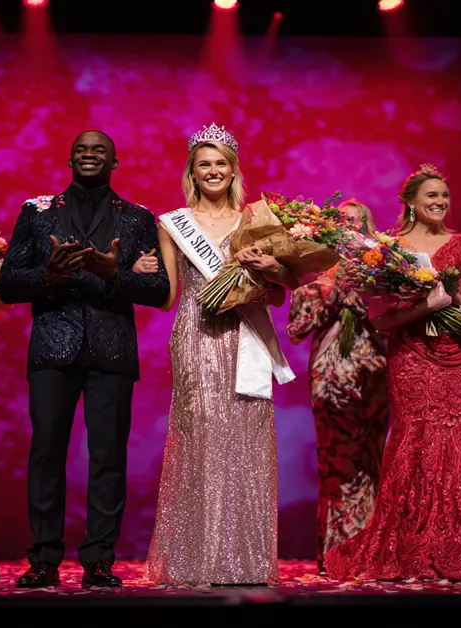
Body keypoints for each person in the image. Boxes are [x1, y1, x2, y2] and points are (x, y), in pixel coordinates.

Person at [0, 130, 169, 588]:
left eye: (99, 151)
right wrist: (47, 275)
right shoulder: (36, 213)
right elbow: (7, 284)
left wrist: (116, 275)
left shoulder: (136, 219)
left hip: (111, 351)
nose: (89, 155)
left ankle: (98, 559)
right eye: (81, 150)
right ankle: (44, 558)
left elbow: (159, 291)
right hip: (54, 347)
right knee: (47, 453)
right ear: (69, 158)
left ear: (115, 161)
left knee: (108, 458)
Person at [324, 164, 461, 582]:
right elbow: (381, 321)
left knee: (459, 443)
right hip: (411, 357)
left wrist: (452, 293)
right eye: (431, 196)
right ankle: (408, 546)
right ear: (410, 201)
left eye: (445, 195)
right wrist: (427, 303)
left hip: (458, 358)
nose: (440, 202)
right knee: (414, 441)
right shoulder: (389, 248)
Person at [141, 123, 296, 585]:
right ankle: (197, 559)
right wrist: (139, 269)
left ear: (233, 170)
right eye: (204, 164)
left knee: (246, 442)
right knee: (202, 440)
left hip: (245, 335)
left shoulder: (257, 220)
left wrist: (273, 269)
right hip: (197, 337)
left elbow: (276, 297)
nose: (213, 171)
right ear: (193, 171)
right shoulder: (172, 223)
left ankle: (244, 562)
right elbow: (169, 297)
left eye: (220, 163)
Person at [286, 200, 389, 575]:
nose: (349, 227)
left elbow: (396, 316)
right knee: (337, 465)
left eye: (356, 222)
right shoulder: (316, 265)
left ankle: (371, 551)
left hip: (375, 370)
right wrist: (336, 287)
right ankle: (337, 553)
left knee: (371, 462)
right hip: (332, 376)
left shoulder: (383, 263)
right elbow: (296, 328)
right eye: (342, 221)